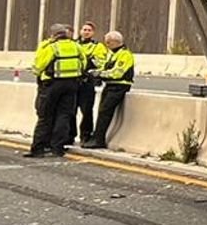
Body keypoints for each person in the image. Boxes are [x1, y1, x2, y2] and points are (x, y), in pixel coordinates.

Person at [27, 23, 86, 158]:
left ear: (53, 35)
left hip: (52, 84)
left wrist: (38, 75)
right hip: (72, 84)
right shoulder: (76, 46)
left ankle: (38, 149)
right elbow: (83, 63)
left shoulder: (52, 47)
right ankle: (57, 148)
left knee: (45, 116)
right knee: (64, 116)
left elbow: (38, 66)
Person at [86, 31, 137, 149]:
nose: (106, 45)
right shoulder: (113, 54)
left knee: (105, 112)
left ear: (115, 42)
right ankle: (96, 137)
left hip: (119, 86)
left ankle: (98, 140)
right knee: (101, 111)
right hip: (110, 85)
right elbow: (105, 66)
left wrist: (100, 74)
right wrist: (94, 70)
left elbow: (117, 73)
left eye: (108, 42)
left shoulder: (125, 55)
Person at [74, 20, 107, 146]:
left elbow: (100, 62)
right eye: (84, 29)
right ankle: (69, 135)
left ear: (93, 33)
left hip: (87, 82)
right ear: (80, 31)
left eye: (89, 30)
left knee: (87, 111)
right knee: (70, 111)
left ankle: (85, 136)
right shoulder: (74, 44)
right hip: (73, 82)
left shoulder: (98, 46)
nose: (86, 32)